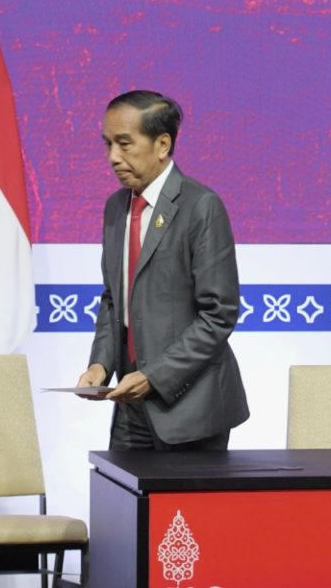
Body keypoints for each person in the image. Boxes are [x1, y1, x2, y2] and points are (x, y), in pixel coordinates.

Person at [76, 90, 249, 450]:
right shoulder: (114, 208)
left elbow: (219, 315)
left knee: (184, 510)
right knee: (124, 504)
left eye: (125, 144)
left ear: (162, 144)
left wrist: (155, 376)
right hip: (129, 406)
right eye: (108, 144)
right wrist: (100, 365)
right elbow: (113, 299)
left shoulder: (201, 206)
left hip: (190, 408)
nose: (113, 157)